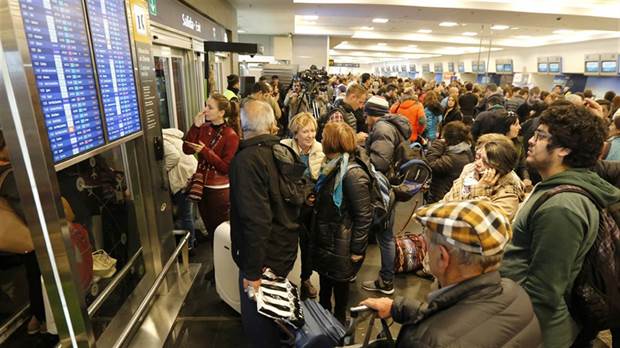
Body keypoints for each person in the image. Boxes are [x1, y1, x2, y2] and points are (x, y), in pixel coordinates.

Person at [500, 101, 620, 348]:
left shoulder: (561, 207)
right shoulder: (555, 188)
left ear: (564, 149)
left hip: (540, 330)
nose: (531, 140)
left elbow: (545, 291)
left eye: (541, 136)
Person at [361, 199, 542, 348]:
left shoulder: (427, 341)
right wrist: (397, 308)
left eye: (428, 244)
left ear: (442, 256)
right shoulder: (514, 293)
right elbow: (462, 320)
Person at [230, 99, 300, 346]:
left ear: (242, 124)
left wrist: (252, 270)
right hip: (284, 249)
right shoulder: (284, 152)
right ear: (271, 124)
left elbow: (256, 221)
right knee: (275, 315)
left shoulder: (247, 161)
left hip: (263, 259)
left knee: (259, 324)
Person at [311, 122, 372, 324]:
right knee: (325, 287)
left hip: (341, 245)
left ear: (332, 143)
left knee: (340, 290)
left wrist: (357, 249)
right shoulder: (331, 167)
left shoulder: (352, 173)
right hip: (328, 239)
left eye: (324, 137)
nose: (320, 140)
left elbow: (364, 215)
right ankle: (324, 323)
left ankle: (337, 327)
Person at [361, 96, 411, 295]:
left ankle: (386, 281)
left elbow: (379, 163)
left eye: (367, 114)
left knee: (385, 236)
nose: (365, 119)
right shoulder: (390, 127)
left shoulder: (382, 129)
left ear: (374, 114)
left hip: (383, 190)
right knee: (385, 234)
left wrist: (359, 149)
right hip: (392, 186)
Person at [0, 130, 44, 334]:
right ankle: (42, 319)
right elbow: (29, 212)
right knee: (38, 275)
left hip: (10, 241)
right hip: (29, 237)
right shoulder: (11, 175)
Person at [183, 93, 240, 240]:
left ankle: (222, 262)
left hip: (219, 190)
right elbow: (187, 149)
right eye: (205, 105)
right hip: (202, 186)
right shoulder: (203, 128)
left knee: (220, 232)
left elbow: (225, 167)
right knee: (210, 231)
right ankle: (216, 261)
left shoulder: (230, 135)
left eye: (210, 107)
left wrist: (205, 151)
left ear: (221, 113)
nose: (205, 110)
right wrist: (195, 126)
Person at [280, 112, 325, 299]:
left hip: (309, 209)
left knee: (308, 246)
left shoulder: (320, 150)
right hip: (288, 207)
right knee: (284, 245)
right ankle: (279, 280)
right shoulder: (283, 148)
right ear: (295, 133)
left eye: (313, 130)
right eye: (305, 131)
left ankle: (305, 280)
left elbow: (322, 179)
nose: (310, 135)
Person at [443, 134, 524, 220]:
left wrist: (479, 191)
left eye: (485, 162)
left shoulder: (509, 194)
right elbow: (446, 200)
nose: (477, 163)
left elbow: (481, 223)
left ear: (499, 167)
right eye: (478, 157)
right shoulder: (470, 173)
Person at [163, 128, 198, 248]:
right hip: (190, 173)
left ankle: (189, 246)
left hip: (183, 178)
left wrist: (163, 171)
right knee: (187, 212)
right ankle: (193, 240)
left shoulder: (162, 140)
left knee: (185, 215)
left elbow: (174, 156)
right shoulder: (170, 136)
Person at [425, 121, 473, 203]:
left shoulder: (452, 158)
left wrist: (437, 144)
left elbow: (431, 164)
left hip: (441, 198)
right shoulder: (466, 151)